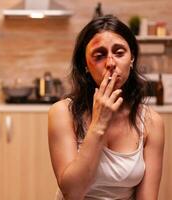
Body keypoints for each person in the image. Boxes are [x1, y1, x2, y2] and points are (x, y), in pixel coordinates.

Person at [48, 15, 165, 200]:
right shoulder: (62, 113)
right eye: (99, 55)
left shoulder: (152, 122)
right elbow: (72, 193)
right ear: (85, 65)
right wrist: (99, 124)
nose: (111, 63)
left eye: (119, 52)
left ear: (132, 58)